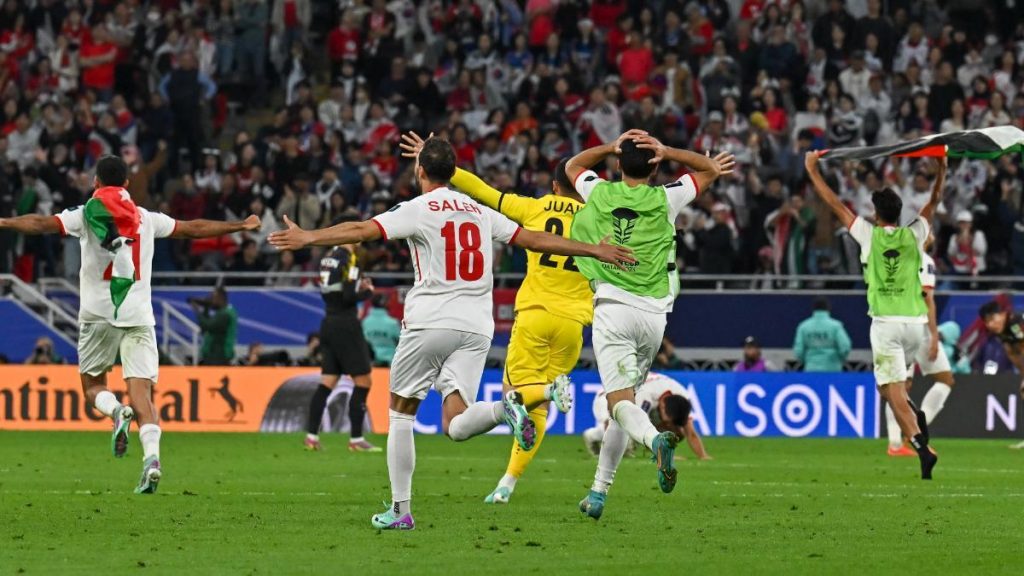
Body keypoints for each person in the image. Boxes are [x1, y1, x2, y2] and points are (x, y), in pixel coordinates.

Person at [267, 135, 633, 530]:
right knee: (456, 423)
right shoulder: (479, 211)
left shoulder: (417, 209)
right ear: (452, 171)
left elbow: (361, 229)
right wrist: (593, 250)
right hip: (476, 327)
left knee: (401, 414)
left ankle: (400, 511)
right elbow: (533, 239)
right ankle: (503, 409)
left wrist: (309, 237)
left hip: (430, 320)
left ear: (420, 171)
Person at [0, 155, 259, 493]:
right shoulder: (146, 219)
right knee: (143, 396)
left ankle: (116, 411)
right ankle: (151, 459)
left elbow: (40, 224)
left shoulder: (84, 214)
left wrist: (4, 222)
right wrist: (238, 226)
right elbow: (192, 228)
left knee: (93, 388)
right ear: (125, 184)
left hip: (96, 314)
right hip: (137, 315)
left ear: (96, 182)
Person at [565, 129, 734, 519]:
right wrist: (668, 150)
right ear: (655, 165)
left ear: (618, 165)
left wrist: (611, 147)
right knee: (624, 406)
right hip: (654, 316)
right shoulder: (667, 197)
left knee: (620, 405)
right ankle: (598, 492)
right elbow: (710, 170)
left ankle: (655, 439)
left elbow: (572, 165)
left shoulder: (599, 191)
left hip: (613, 309)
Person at [440, 150, 587, 505]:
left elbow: (484, 191)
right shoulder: (597, 215)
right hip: (574, 323)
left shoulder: (535, 207)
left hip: (535, 313)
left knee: (516, 395)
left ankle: (550, 393)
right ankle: (507, 482)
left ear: (554, 186)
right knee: (535, 407)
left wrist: (445, 167)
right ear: (583, 187)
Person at [805, 151, 941, 479]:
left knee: (891, 391)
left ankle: (922, 446)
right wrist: (943, 169)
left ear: (877, 214)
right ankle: (915, 414)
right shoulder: (916, 233)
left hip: (885, 324)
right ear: (899, 213)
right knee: (888, 389)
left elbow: (834, 203)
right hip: (916, 325)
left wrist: (812, 170)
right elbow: (934, 201)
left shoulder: (868, 234)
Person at [304, 214, 379, 453]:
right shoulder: (350, 259)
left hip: (328, 321)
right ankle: (356, 440)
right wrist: (366, 292)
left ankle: (311, 437)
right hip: (346, 324)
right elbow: (348, 296)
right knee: (364, 380)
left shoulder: (328, 257)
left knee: (327, 381)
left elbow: (334, 292)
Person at [887, 230, 957, 457]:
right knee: (945, 379)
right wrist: (934, 334)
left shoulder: (897, 259)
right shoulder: (924, 261)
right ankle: (916, 432)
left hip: (893, 324)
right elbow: (926, 297)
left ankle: (895, 443)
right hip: (918, 327)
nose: (934, 236)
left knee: (898, 385)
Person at [583, 372, 711, 461]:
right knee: (621, 436)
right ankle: (593, 435)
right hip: (607, 397)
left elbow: (690, 432)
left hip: (631, 396)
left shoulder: (682, 396)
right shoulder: (645, 397)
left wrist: (703, 455)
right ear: (662, 405)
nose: (666, 426)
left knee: (677, 433)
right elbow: (640, 429)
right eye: (666, 422)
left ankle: (625, 446)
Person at [978, 301, 1024, 449]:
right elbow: (1012, 354)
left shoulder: (1016, 323)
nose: (991, 324)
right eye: (987, 321)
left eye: (993, 319)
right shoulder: (1003, 332)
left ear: (1003, 314)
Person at [793, 298, 852, 372]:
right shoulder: (835, 326)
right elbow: (845, 347)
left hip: (811, 368)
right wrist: (840, 359)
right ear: (828, 309)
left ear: (813, 309)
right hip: (833, 369)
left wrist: (805, 360)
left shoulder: (803, 326)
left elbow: (798, 350)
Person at [190, 286, 238, 366]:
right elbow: (205, 328)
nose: (211, 300)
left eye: (213, 297)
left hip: (219, 355)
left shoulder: (225, 314)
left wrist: (197, 311)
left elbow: (207, 325)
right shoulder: (222, 312)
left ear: (220, 298)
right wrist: (206, 308)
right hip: (214, 354)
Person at [362, 293, 400, 367]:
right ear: (385, 304)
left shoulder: (365, 322)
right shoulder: (393, 323)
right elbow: (400, 343)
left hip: (370, 363)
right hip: (390, 363)